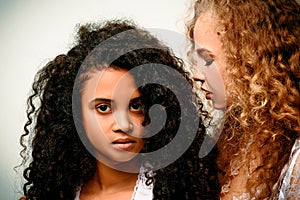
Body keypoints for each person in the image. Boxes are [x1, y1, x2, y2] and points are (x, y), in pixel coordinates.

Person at [18, 19, 220, 200]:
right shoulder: (57, 191)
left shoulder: (181, 191)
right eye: (103, 108)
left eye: (135, 106)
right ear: (75, 116)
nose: (123, 125)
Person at [185, 0, 300, 199]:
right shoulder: (231, 138)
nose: (197, 74)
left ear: (253, 60)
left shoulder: (295, 159)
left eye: (209, 59)